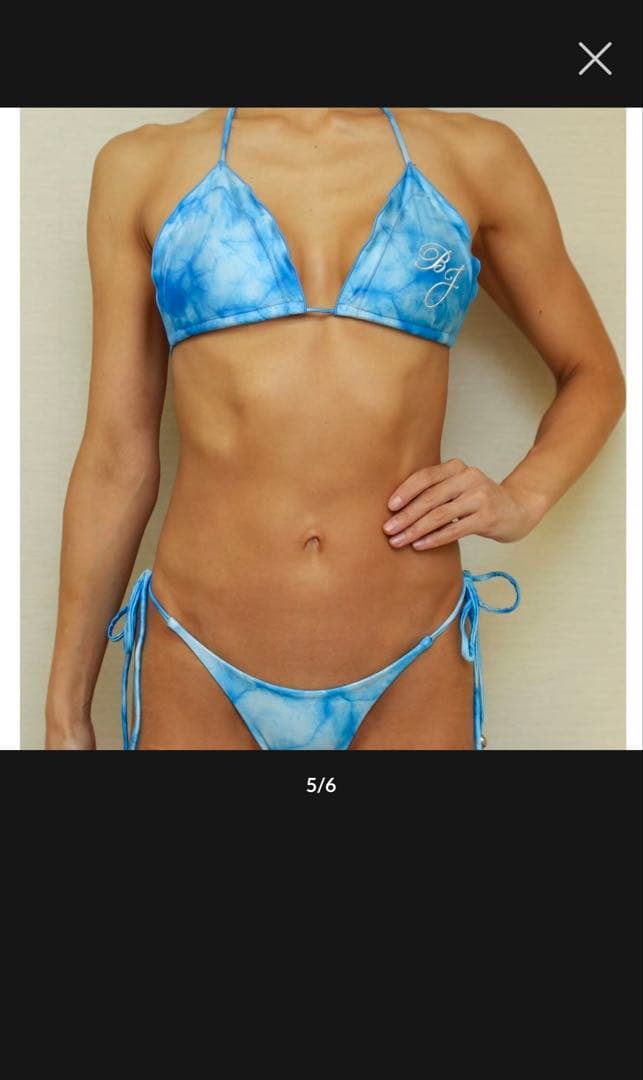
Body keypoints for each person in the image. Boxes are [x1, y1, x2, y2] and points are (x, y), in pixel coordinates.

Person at [45, 107, 625, 751]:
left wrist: (522, 498)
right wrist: (66, 717)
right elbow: (116, 456)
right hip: (197, 653)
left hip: (415, 657)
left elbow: (594, 374)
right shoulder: (140, 166)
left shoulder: (477, 156)